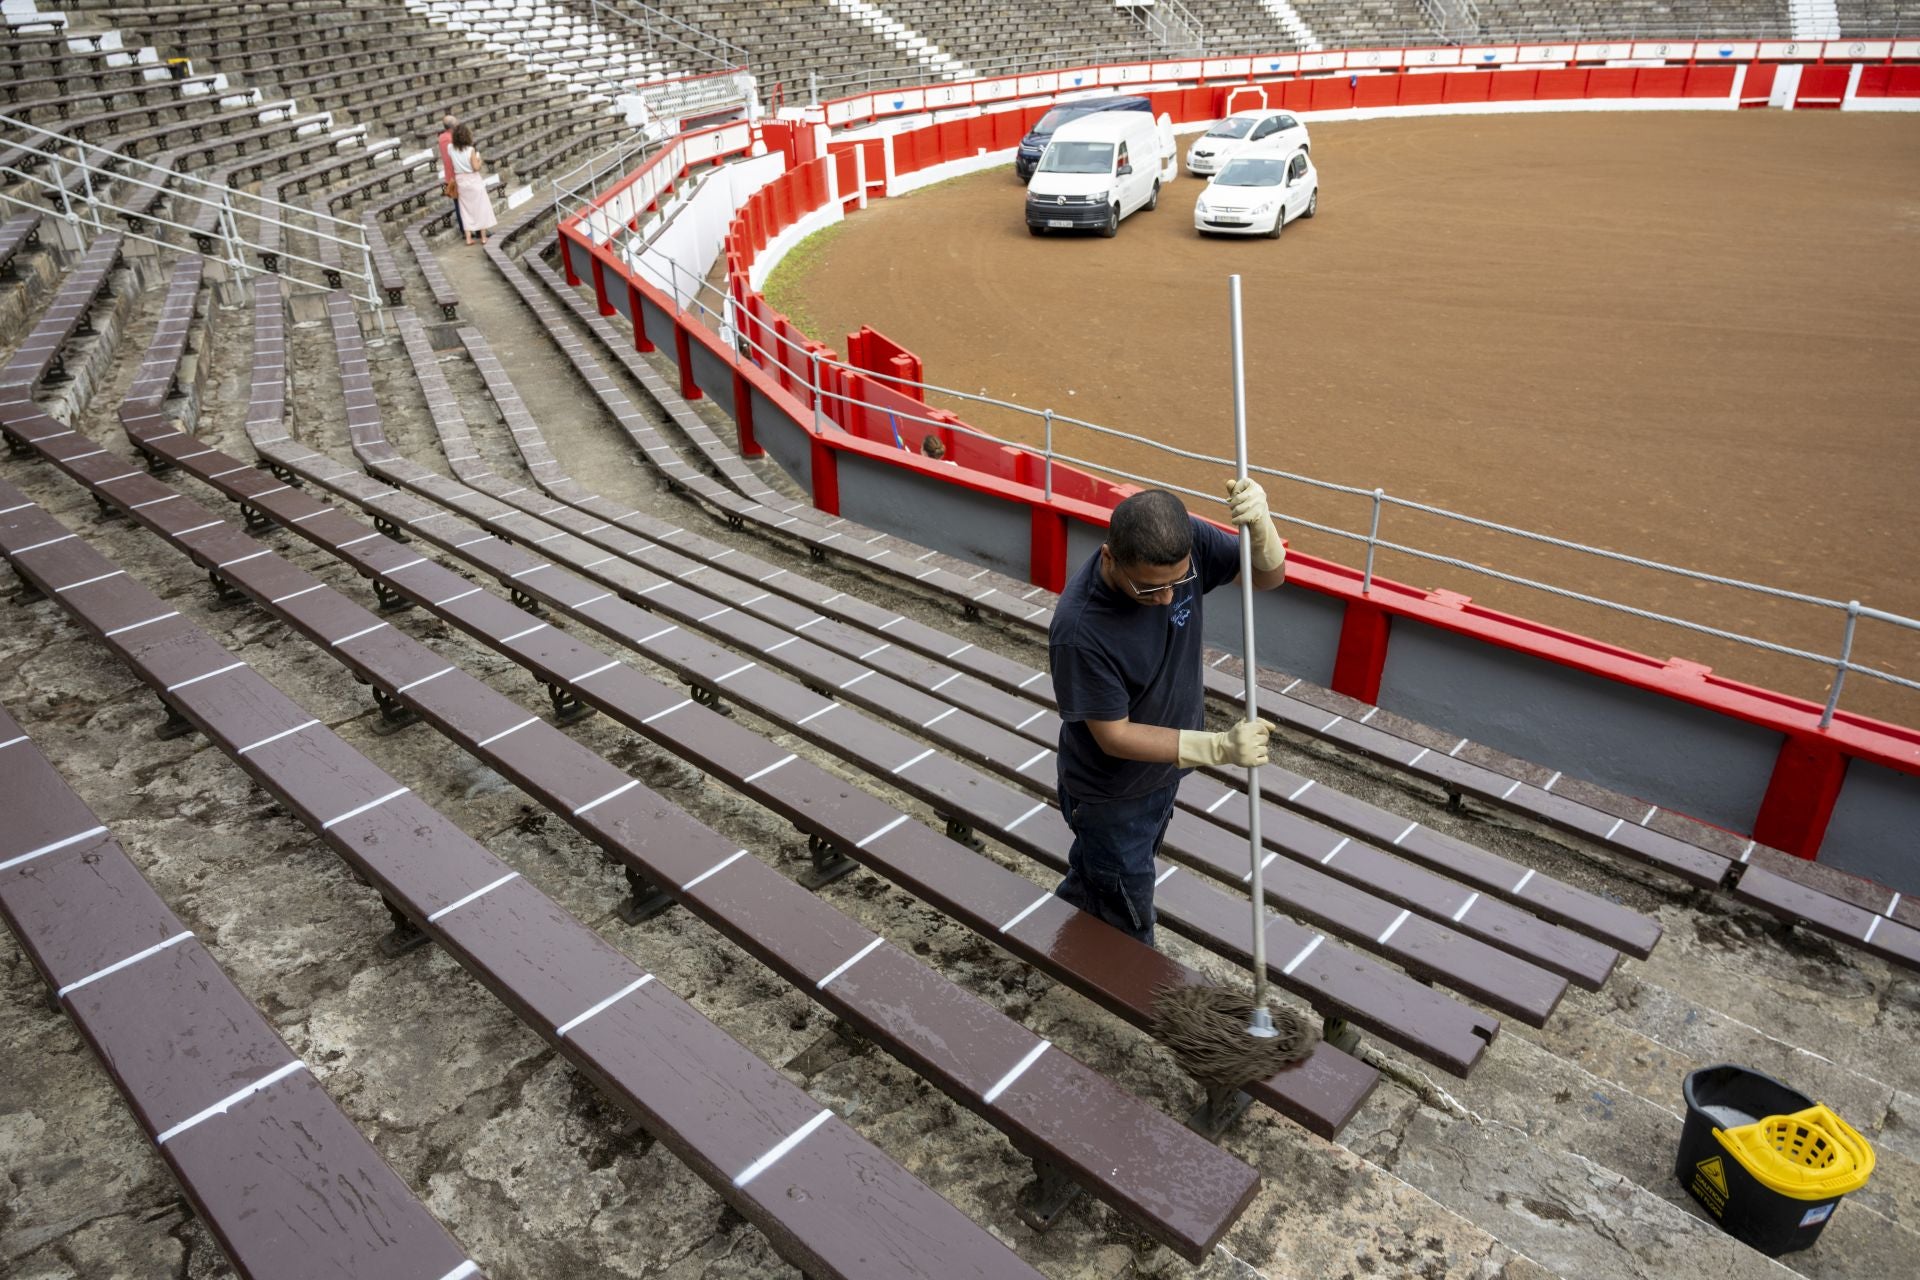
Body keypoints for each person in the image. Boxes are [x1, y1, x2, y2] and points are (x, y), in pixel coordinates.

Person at [1048, 478, 1287, 945]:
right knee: (1130, 912)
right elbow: (1113, 736)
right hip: (1112, 795)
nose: (1167, 599)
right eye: (1149, 590)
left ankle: (1060, 933)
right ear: (1108, 557)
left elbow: (1266, 577)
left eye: (1180, 583)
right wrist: (1217, 747)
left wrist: (1261, 527)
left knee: (1103, 880)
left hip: (1163, 773)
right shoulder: (1080, 630)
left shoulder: (1183, 542)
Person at [448, 123, 498, 246]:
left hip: (461, 181)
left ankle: (469, 238)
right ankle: (483, 237)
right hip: (473, 180)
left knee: (465, 210)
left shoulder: (450, 148)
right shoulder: (470, 150)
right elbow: (476, 168)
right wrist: (479, 159)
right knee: (480, 208)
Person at [436, 114, 462, 237]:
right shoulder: (450, 139)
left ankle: (467, 230)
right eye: (457, 124)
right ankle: (467, 230)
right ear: (453, 126)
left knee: (459, 204)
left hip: (451, 176)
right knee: (462, 205)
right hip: (455, 176)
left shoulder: (442, 137)